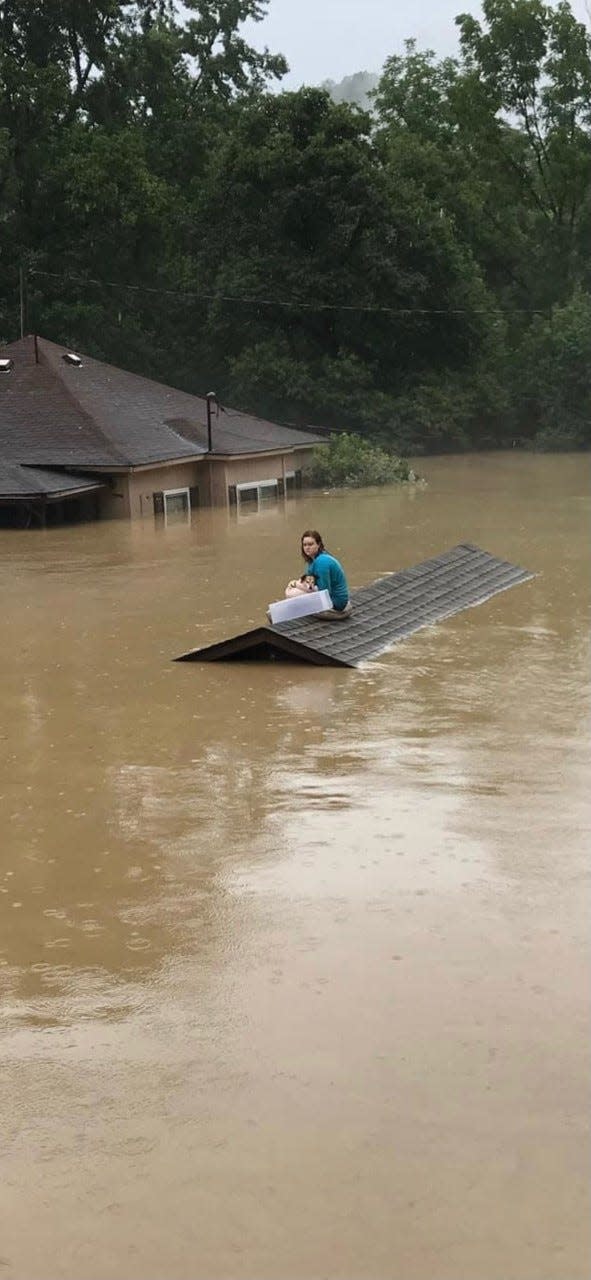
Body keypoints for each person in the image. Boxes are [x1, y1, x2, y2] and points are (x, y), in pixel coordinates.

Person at [296, 529, 352, 618]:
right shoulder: (312, 561)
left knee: (293, 593)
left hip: (336, 603)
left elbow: (324, 592)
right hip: (333, 599)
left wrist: (297, 585)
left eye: (310, 544)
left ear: (318, 544)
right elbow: (308, 582)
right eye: (305, 545)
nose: (307, 547)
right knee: (293, 591)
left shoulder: (322, 562)